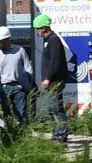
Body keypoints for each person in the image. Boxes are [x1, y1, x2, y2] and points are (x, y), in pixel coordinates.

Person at [31, 13, 74, 145]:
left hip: (55, 80)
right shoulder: (48, 40)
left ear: (44, 27)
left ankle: (62, 134)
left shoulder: (53, 40)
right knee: (52, 108)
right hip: (52, 81)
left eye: (38, 28)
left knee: (56, 108)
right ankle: (57, 133)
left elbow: (55, 62)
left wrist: (48, 78)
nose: (37, 31)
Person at [0, 23, 34, 126]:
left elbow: (28, 69)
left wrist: (25, 84)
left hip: (18, 88)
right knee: (7, 115)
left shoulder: (20, 50)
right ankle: (12, 136)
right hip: (5, 88)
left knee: (22, 114)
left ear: (7, 40)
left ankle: (25, 135)